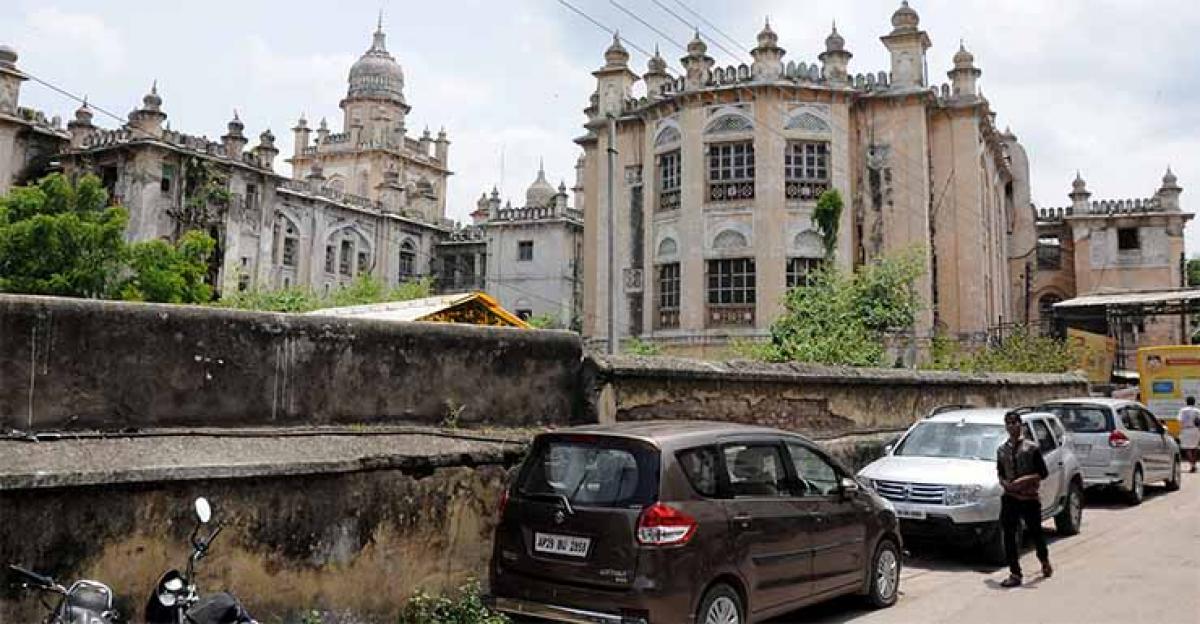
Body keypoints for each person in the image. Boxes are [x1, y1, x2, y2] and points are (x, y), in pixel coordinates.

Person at [996, 411, 1052, 588]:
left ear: (1020, 425)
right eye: (1008, 423)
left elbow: (1042, 473)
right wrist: (1006, 485)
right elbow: (1000, 473)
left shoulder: (1031, 448)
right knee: (1009, 535)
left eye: (1015, 423)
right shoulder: (1002, 450)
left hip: (1029, 498)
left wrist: (1023, 482)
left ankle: (1044, 561)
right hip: (1010, 498)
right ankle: (1015, 572)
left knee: (1036, 532)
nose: (1012, 426)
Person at [1179, 396, 1200, 472]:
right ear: (1194, 402)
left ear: (1186, 402)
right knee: (1195, 448)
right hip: (1196, 430)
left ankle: (1192, 464)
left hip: (1186, 430)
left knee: (1187, 448)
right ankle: (1193, 464)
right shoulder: (1197, 410)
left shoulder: (1183, 410)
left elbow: (1180, 420)